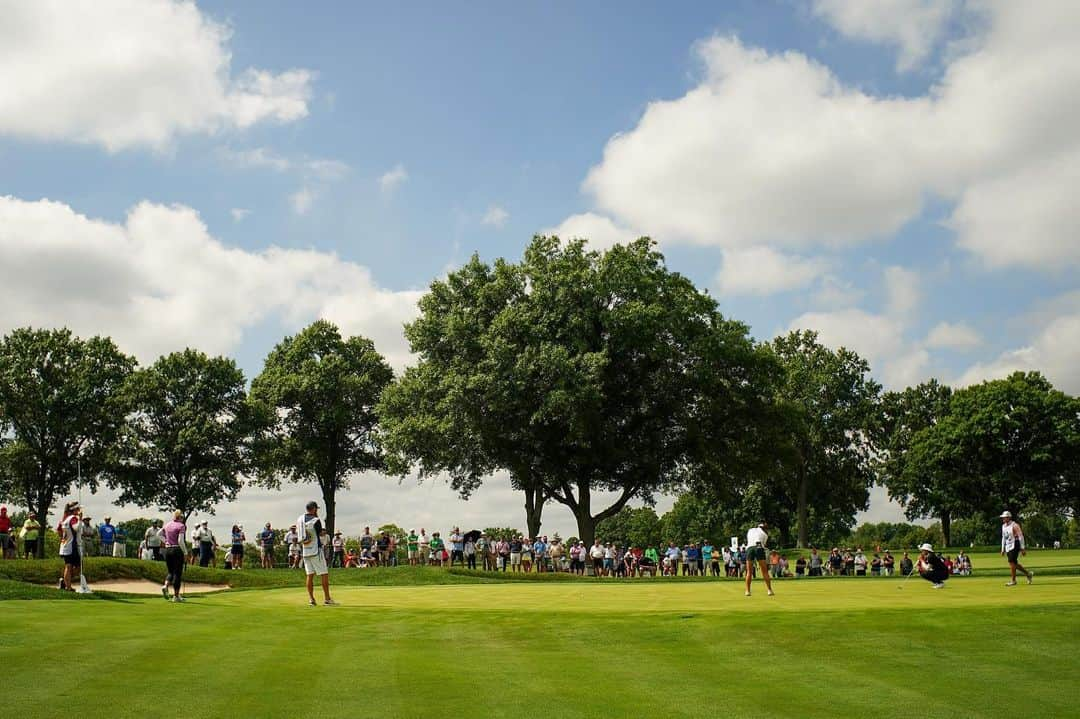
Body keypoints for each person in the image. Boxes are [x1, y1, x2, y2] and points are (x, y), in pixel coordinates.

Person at [298, 501, 335, 606]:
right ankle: (327, 599)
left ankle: (311, 599)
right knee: (324, 573)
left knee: (309, 575)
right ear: (314, 509)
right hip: (315, 550)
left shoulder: (300, 519)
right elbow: (319, 532)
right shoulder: (316, 520)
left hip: (305, 551)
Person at [1000, 511, 1033, 586]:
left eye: (1004, 517)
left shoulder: (1014, 525)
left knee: (1011, 562)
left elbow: (1021, 536)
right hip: (1008, 546)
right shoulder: (1003, 526)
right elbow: (1003, 538)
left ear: (1008, 518)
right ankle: (1028, 574)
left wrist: (1022, 548)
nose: (1003, 519)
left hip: (1015, 544)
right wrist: (1002, 549)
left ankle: (1013, 580)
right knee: (1013, 563)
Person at [161, 510, 188, 602]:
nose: (182, 519)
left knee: (170, 572)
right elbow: (180, 541)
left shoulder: (167, 525)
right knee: (177, 573)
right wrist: (185, 552)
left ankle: (165, 585)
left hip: (168, 550)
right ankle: (176, 596)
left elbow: (158, 534)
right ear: (179, 517)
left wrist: (166, 542)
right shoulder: (181, 526)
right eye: (182, 518)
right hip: (177, 550)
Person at [57, 501, 82, 591]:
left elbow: (59, 530)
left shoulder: (64, 519)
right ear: (74, 510)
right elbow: (76, 528)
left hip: (65, 545)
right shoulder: (73, 518)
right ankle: (67, 585)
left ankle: (65, 582)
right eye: (78, 509)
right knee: (77, 567)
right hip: (72, 546)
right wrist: (80, 518)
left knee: (69, 566)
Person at [744, 522, 774, 597]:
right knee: (764, 571)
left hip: (750, 548)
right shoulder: (765, 534)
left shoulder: (750, 530)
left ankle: (747, 591)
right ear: (763, 528)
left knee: (749, 571)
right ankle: (769, 590)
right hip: (759, 548)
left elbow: (749, 540)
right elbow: (764, 545)